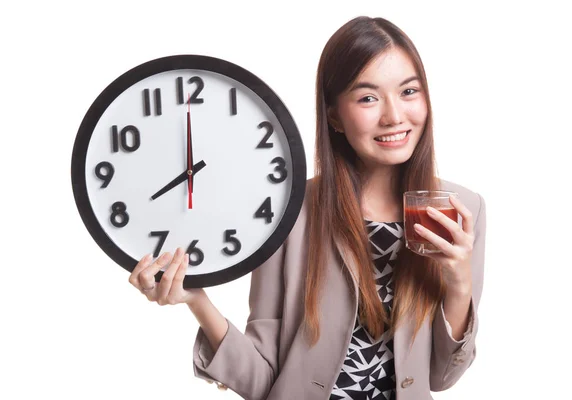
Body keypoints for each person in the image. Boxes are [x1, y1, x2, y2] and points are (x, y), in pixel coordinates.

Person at [128, 15, 487, 400]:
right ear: (333, 115)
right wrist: (196, 299)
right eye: (368, 97)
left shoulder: (460, 209)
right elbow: (262, 377)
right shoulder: (291, 211)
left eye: (409, 92)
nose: (395, 116)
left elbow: (440, 377)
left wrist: (458, 282)